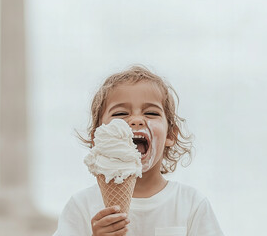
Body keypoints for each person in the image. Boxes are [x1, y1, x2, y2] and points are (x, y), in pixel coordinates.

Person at [53, 66, 224, 236]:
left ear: (170, 135)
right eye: (120, 113)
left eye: (151, 113)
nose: (136, 120)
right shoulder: (82, 206)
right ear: (98, 137)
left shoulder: (191, 204)